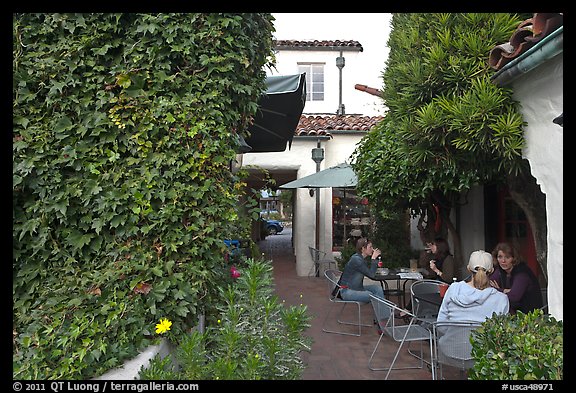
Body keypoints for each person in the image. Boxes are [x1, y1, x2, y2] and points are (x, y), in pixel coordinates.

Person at [437, 250, 510, 324]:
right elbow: (501, 332)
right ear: (491, 271)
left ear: (468, 268)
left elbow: (441, 324)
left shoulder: (454, 289)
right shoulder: (501, 299)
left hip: (451, 335)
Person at [489, 242, 543, 314]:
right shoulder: (500, 270)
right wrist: (505, 290)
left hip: (529, 317)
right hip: (513, 314)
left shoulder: (522, 273)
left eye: (507, 257)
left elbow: (514, 297)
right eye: (500, 257)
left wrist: (498, 290)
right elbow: (488, 286)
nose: (503, 261)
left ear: (514, 258)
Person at [339, 237, 385, 303]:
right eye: (370, 247)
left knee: (377, 289)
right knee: (371, 295)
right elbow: (371, 275)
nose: (372, 249)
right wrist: (374, 259)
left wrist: (374, 261)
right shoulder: (356, 260)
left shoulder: (361, 259)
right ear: (363, 248)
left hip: (357, 288)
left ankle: (384, 313)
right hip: (346, 291)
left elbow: (370, 272)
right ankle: (384, 312)